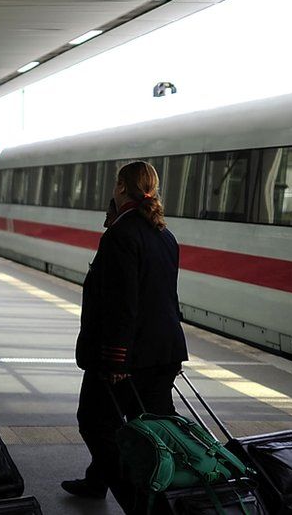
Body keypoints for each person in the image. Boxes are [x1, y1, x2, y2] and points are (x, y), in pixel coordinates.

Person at [63, 161, 187, 514]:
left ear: (120, 187)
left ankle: (138, 502)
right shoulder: (164, 234)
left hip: (128, 356)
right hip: (162, 351)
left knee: (95, 421)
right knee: (157, 427)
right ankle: (98, 479)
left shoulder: (121, 235)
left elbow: (123, 303)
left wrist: (116, 359)